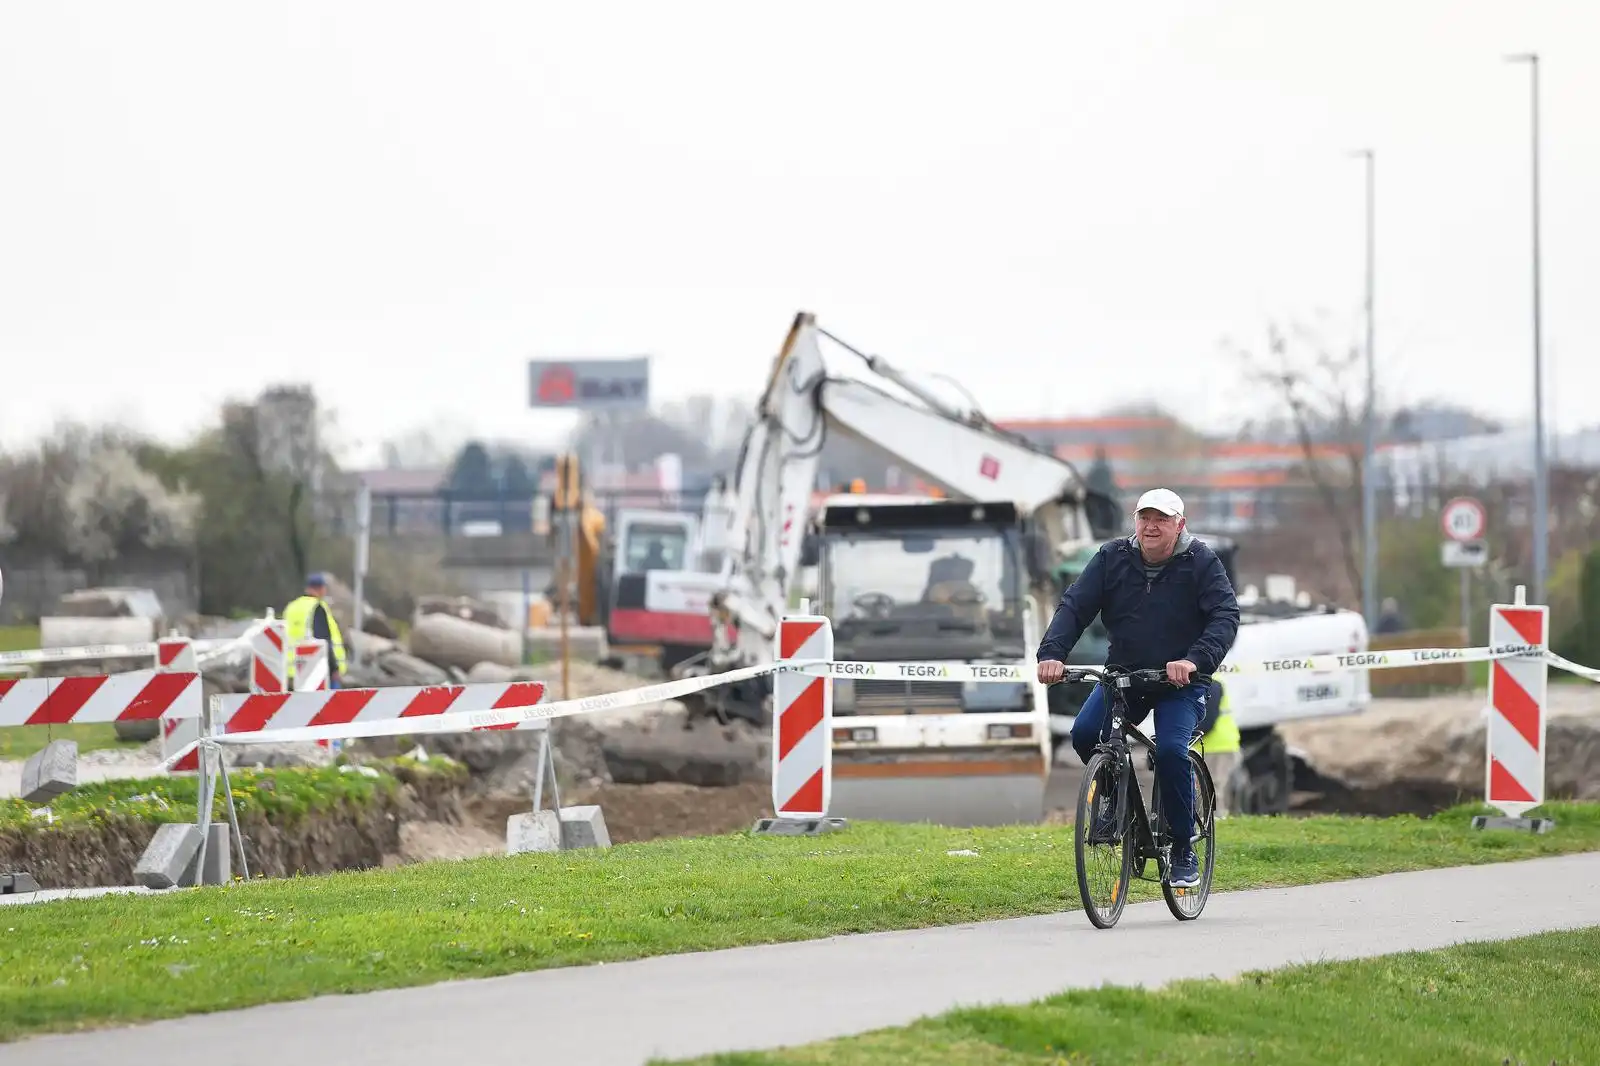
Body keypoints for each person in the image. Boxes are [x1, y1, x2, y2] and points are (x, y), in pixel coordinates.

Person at [1036, 488, 1240, 888]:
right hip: (1125, 676)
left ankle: (1182, 849)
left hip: (1181, 682)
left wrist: (1194, 660)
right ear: (1135, 522)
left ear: (1180, 525)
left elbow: (1225, 616)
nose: (1151, 526)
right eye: (1145, 518)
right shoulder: (1112, 557)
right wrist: (1052, 654)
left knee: (1169, 751)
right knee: (1084, 734)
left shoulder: (1200, 561)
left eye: (1161, 519)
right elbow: (1075, 606)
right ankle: (1114, 797)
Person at [284, 573, 347, 689]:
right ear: (321, 589)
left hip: (291, 670)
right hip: (315, 671)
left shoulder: (292, 607)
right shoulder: (317, 607)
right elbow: (323, 640)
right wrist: (334, 668)